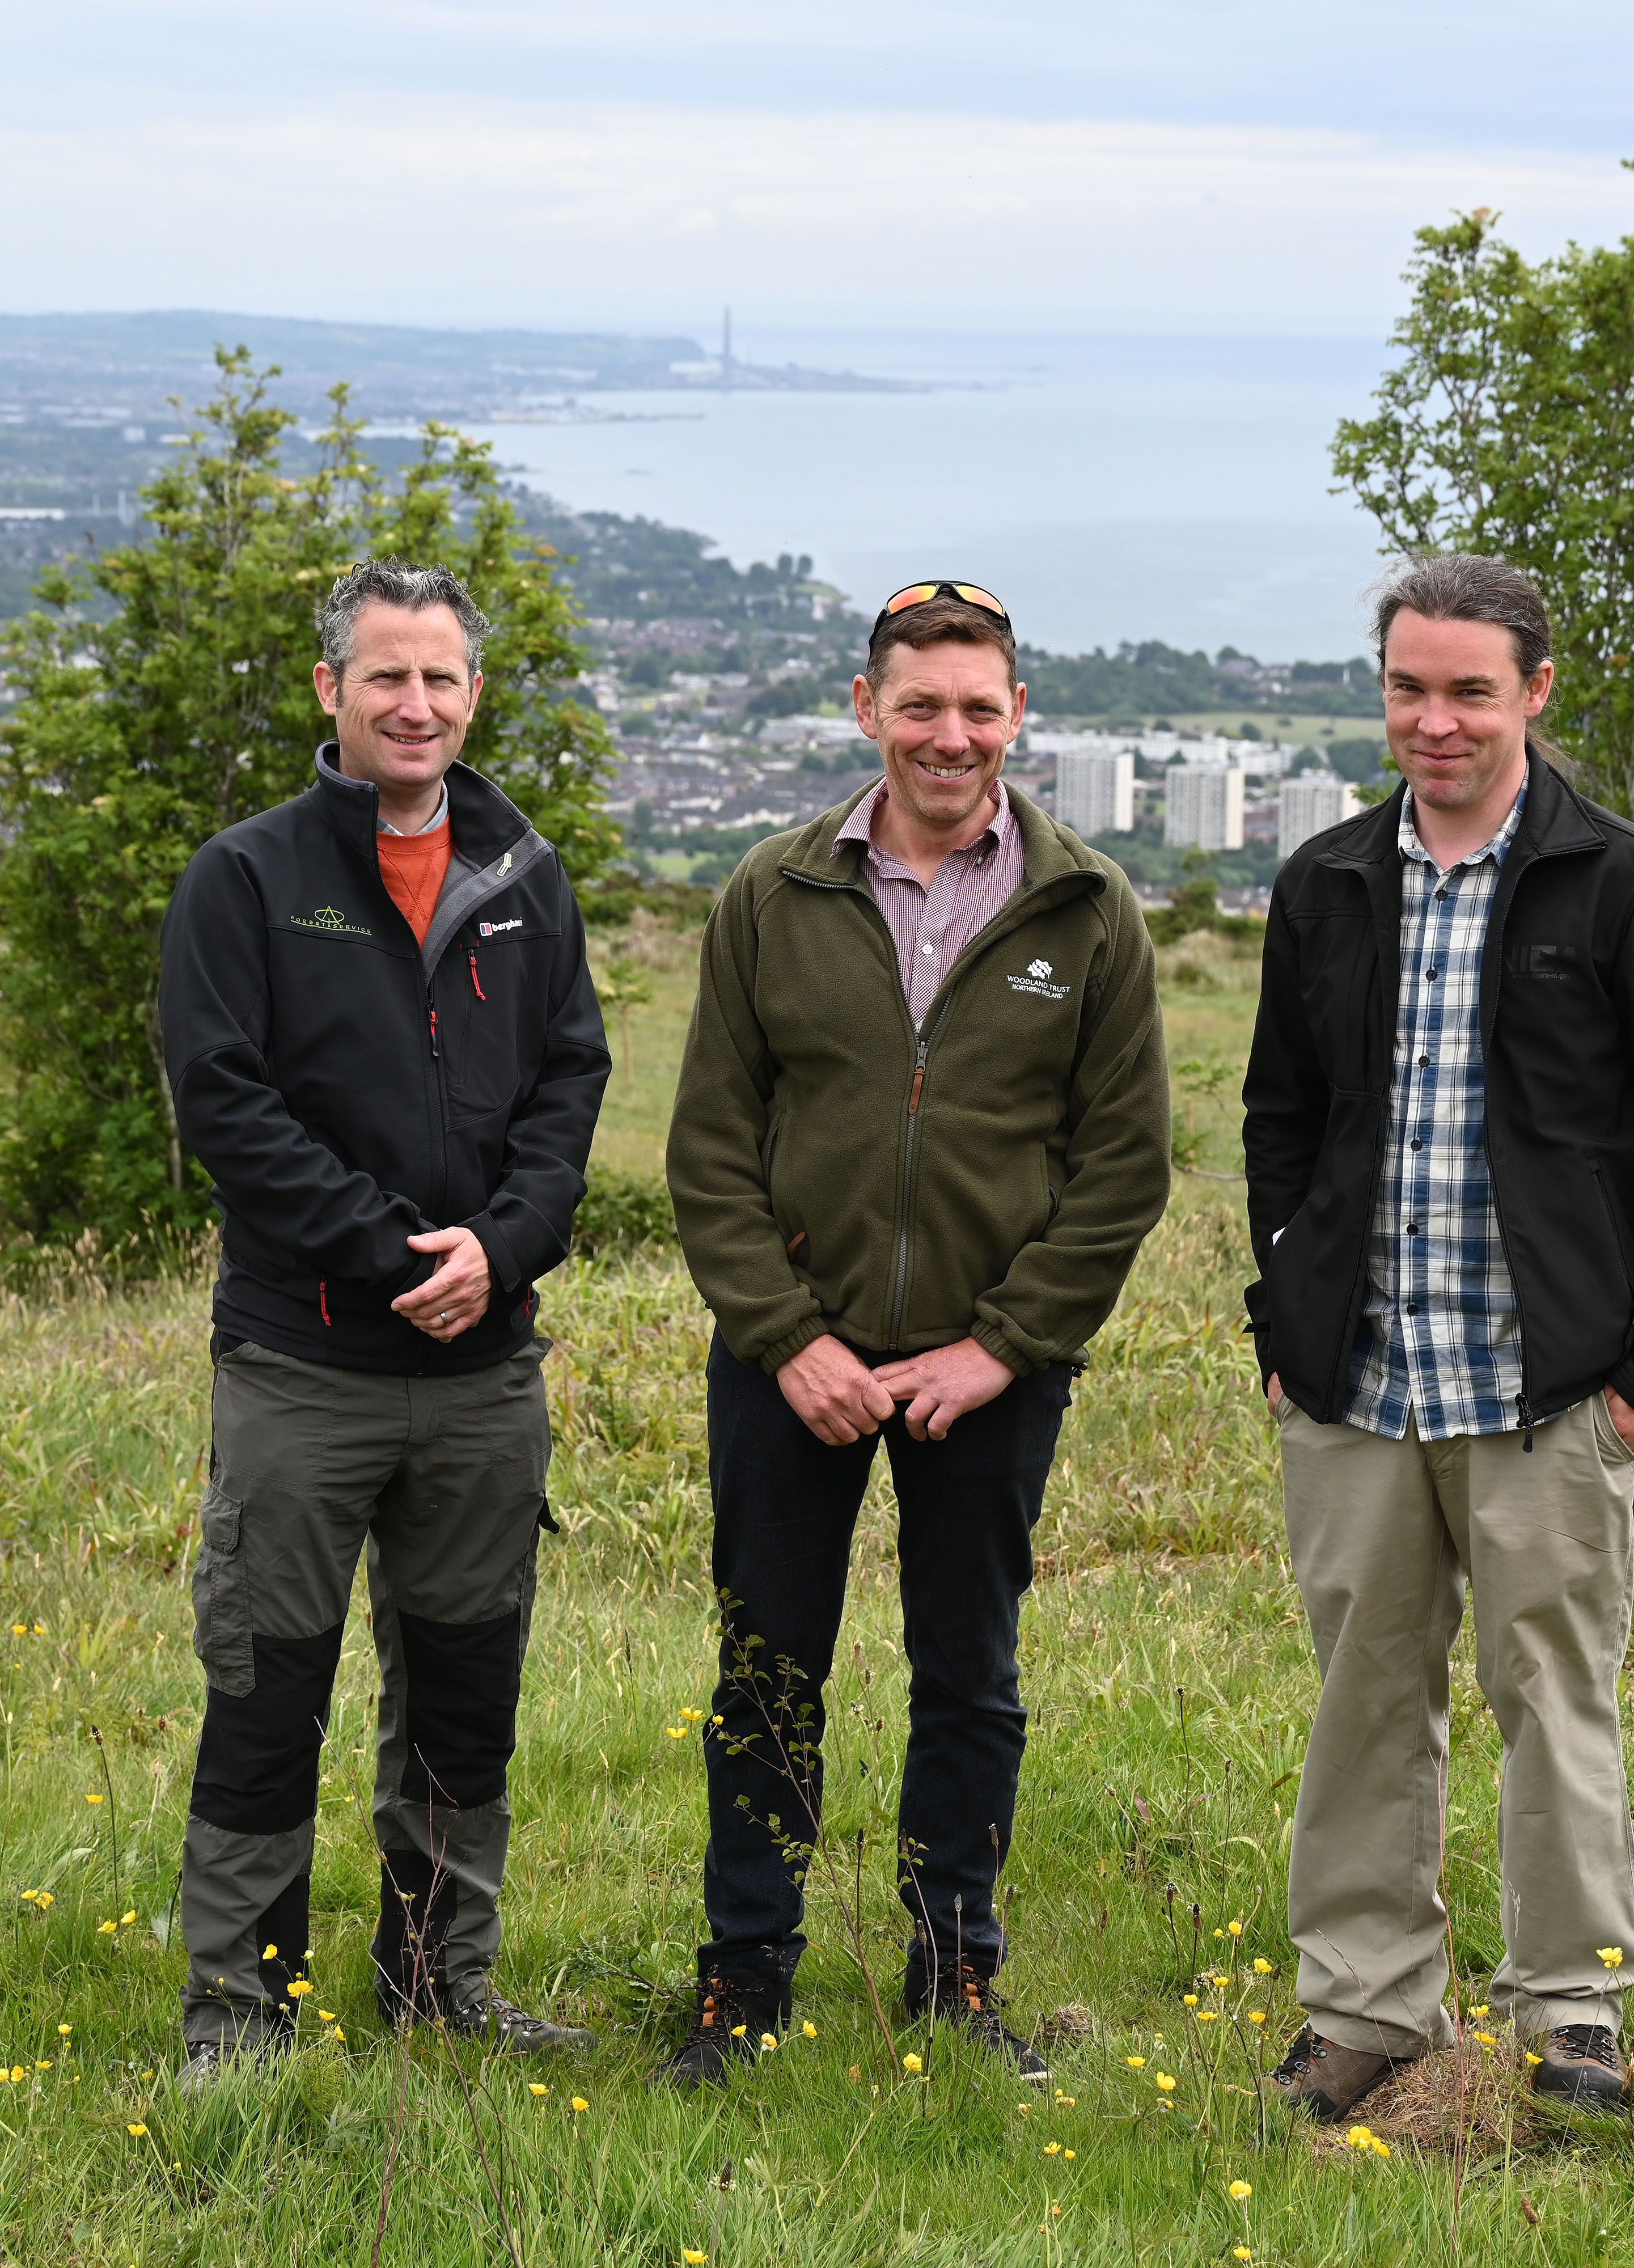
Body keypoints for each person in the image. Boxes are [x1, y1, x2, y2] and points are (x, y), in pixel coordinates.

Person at [1241, 552, 1634, 2119]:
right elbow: (1280, 1115)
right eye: (1409, 687)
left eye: (1470, 689)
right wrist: (1282, 1312)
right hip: (1358, 1384)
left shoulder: (1628, 882)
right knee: (1364, 1704)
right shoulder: (1328, 882)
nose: (1435, 720)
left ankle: (1571, 2012)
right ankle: (1367, 2010)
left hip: (1555, 1391)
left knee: (1557, 1697)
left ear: (1536, 690)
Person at [657, 578, 1171, 2088]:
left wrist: (1003, 1347)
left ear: (1019, 717)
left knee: (970, 1674)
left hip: (984, 1372)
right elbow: (710, 1152)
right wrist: (785, 1338)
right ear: (867, 709)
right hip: (789, 1363)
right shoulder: (772, 893)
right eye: (921, 705)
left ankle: (956, 1980)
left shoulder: (1089, 908)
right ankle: (741, 1984)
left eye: (979, 708)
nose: (951, 736)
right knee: (766, 1671)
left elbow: (1123, 1167)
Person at [155, 559, 611, 2080]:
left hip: (486, 1376)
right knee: (268, 1686)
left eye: (440, 679)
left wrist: (501, 1244)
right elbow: (226, 1104)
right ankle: (240, 2014)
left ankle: (438, 1984)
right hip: (305, 1364)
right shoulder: (248, 876)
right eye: (384, 676)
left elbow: (569, 1088)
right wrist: (394, 1249)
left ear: (475, 697)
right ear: (329, 693)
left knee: (466, 1696)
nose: (413, 704)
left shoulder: (525, 878)